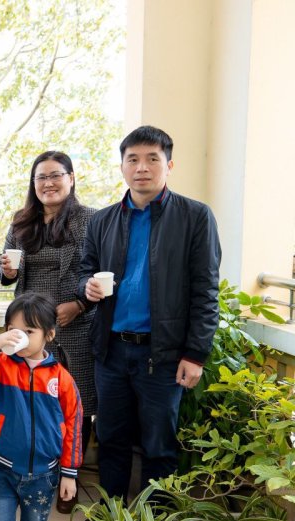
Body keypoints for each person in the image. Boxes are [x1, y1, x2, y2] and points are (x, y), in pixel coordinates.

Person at [78, 125, 221, 500]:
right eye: (133, 159)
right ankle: (110, 517)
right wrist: (86, 287)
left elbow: (206, 290)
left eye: (152, 159)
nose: (142, 167)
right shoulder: (103, 220)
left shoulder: (195, 217)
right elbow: (83, 271)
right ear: (122, 167)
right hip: (111, 352)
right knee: (110, 439)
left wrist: (196, 353)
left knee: (158, 445)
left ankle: (153, 520)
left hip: (164, 354)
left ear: (169, 165)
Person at [0, 151, 96, 477]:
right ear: (33, 183)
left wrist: (80, 305)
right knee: (31, 396)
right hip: (30, 327)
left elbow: (101, 273)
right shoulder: (20, 220)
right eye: (41, 177)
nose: (49, 183)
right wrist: (7, 271)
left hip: (75, 324)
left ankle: (70, 473)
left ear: (71, 178)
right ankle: (39, 470)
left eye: (56, 175)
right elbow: (5, 273)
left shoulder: (90, 219)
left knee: (75, 403)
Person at [0, 292, 82, 521]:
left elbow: (74, 425)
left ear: (49, 334)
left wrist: (69, 474)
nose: (19, 337)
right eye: (12, 329)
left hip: (43, 474)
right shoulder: (1, 367)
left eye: (29, 331)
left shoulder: (62, 378)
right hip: (3, 470)